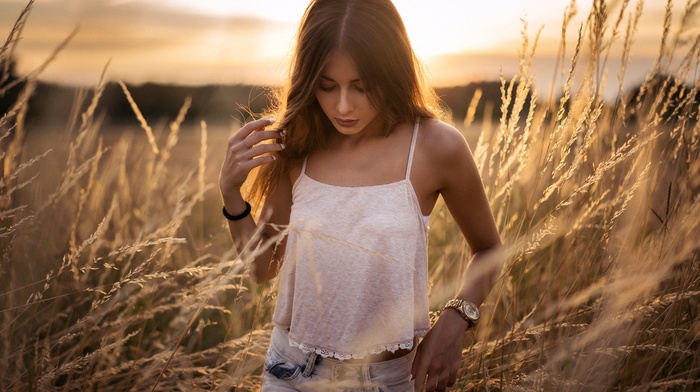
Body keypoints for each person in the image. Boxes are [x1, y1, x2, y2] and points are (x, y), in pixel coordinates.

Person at [219, 0, 503, 390]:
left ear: (392, 72)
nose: (343, 106)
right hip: (291, 373)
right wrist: (231, 194)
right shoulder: (296, 143)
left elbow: (489, 249)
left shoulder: (436, 147)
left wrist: (457, 319)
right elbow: (263, 269)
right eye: (327, 86)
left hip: (387, 379)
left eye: (362, 86)